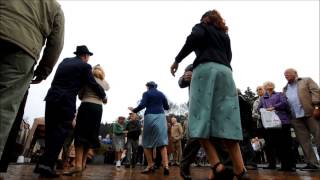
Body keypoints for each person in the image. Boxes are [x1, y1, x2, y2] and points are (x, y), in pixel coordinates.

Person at [170, 10, 248, 179]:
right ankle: (241, 171)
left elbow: (193, 39)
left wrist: (177, 60)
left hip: (206, 70)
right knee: (227, 122)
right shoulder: (224, 35)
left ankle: (217, 166)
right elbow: (229, 56)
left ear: (205, 19)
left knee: (198, 121)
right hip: (226, 72)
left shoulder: (201, 26)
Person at [0, 0, 64, 160]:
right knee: (4, 107)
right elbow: (56, 44)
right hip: (23, 51)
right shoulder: (54, 6)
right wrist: (43, 71)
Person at [35, 45, 106, 178]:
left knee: (51, 130)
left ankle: (43, 164)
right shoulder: (85, 66)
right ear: (85, 56)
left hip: (51, 97)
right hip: (65, 101)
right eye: (88, 57)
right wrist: (103, 95)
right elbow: (92, 83)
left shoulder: (65, 61)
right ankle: (47, 165)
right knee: (61, 131)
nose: (88, 59)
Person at [64, 64, 109, 176]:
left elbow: (80, 95)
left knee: (80, 135)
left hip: (86, 106)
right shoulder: (104, 83)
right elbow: (105, 100)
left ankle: (77, 165)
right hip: (98, 109)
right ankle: (83, 163)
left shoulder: (87, 80)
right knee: (90, 135)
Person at [128, 81, 170, 176]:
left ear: (148, 86)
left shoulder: (146, 93)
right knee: (162, 143)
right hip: (161, 116)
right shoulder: (161, 94)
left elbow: (142, 105)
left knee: (146, 142)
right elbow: (167, 107)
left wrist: (133, 110)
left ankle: (150, 165)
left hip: (150, 116)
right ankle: (166, 166)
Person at [283, 68, 320, 170]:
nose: (286, 75)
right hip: (295, 118)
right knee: (304, 141)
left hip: (311, 113)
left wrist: (316, 107)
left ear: (295, 73)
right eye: (284, 74)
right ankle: (312, 164)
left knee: (318, 137)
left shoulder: (306, 80)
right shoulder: (285, 88)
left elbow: (316, 92)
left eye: (288, 73)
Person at [258, 81, 296, 171]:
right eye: (266, 85)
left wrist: (274, 107)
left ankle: (290, 165)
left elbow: (285, 104)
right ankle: (283, 165)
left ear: (273, 86)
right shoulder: (263, 98)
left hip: (283, 122)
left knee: (286, 144)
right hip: (271, 124)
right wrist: (264, 110)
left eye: (270, 84)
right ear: (265, 87)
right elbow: (259, 108)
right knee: (277, 145)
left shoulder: (279, 94)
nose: (269, 86)